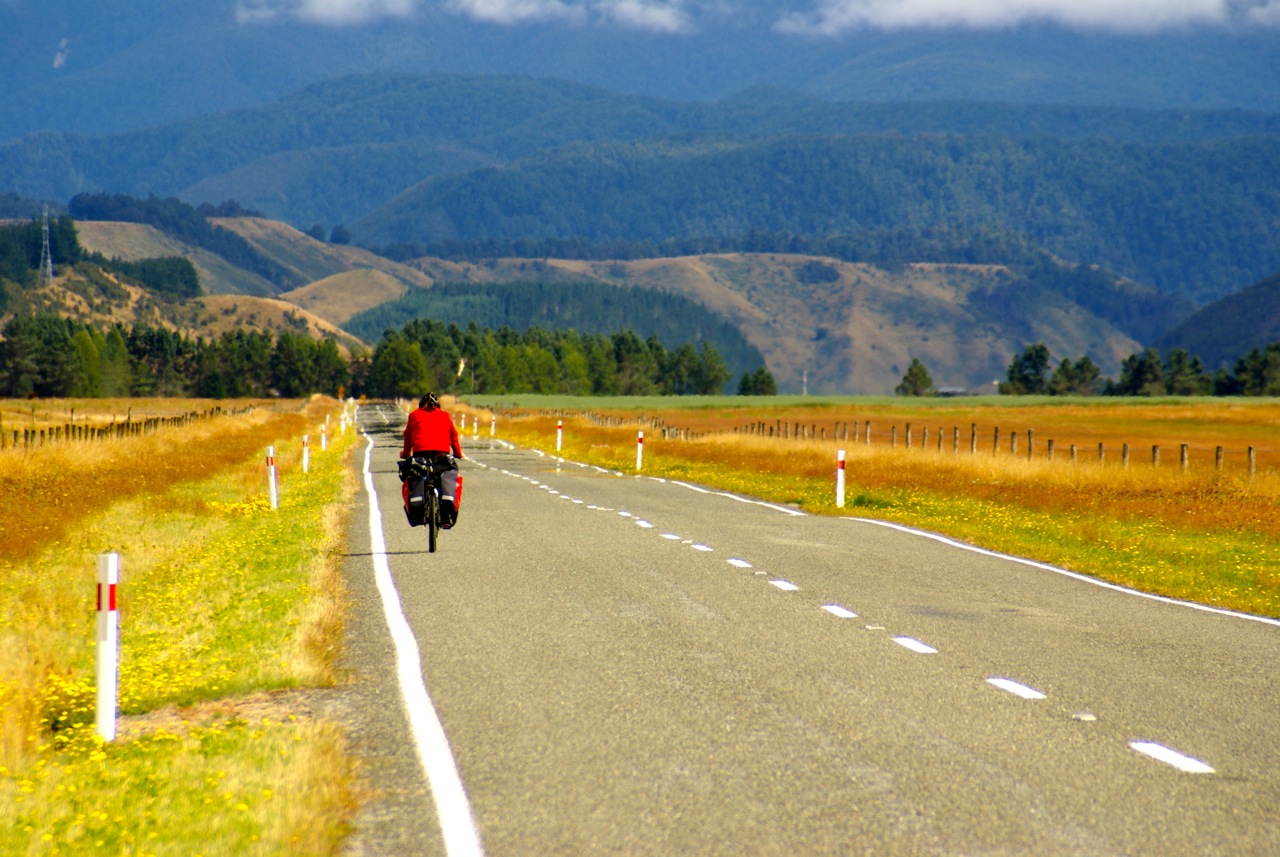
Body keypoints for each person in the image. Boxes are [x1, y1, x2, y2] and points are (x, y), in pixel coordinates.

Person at [400, 393, 464, 527]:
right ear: (437, 405)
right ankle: (447, 513)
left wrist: (405, 453)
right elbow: (453, 436)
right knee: (449, 474)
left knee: (414, 476)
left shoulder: (414, 415)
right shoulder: (444, 415)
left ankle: (418, 511)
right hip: (442, 456)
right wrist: (458, 453)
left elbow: (408, 437)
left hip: (419, 457)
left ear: (421, 405)